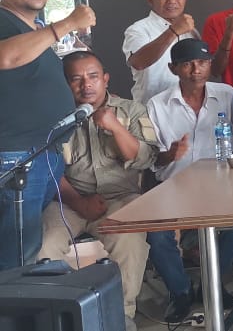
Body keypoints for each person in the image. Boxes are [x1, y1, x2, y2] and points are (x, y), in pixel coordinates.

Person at [39, 51, 155, 326]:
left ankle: (121, 316)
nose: (86, 84)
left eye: (93, 76)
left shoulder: (132, 110)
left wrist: (115, 127)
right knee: (43, 247)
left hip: (120, 198)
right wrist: (79, 203)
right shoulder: (52, 117)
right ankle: (55, 317)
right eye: (76, 79)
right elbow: (47, 169)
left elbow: (145, 158)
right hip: (68, 201)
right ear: (65, 83)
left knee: (130, 243)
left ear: (105, 79)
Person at [0, 0, 96, 270]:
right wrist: (67, 23)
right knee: (15, 254)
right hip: (16, 157)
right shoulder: (4, 20)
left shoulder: (31, 29)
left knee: (26, 246)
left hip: (42, 154)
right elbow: (7, 57)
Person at [145, 39, 233, 322]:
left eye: (202, 62)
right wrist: (170, 154)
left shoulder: (227, 95)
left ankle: (211, 285)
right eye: (187, 64)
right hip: (173, 187)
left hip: (220, 185)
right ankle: (180, 292)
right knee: (157, 236)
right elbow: (151, 160)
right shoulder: (157, 105)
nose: (195, 69)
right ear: (173, 68)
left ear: (210, 65)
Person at [123, 0, 198, 102]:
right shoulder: (138, 29)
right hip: (149, 109)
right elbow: (138, 62)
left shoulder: (191, 31)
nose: (172, 1)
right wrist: (173, 31)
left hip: (187, 107)